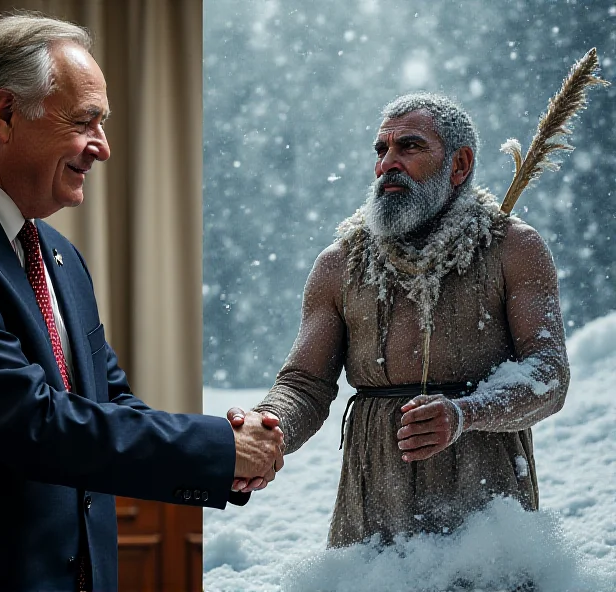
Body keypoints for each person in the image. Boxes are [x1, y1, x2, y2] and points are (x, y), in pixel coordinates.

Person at [0, 13, 282, 592]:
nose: (103, 147)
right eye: (86, 121)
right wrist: (220, 450)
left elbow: (107, 399)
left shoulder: (57, 254)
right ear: (5, 114)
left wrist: (226, 455)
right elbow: (30, 422)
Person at [228, 93, 570, 549]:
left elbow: (548, 375)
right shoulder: (340, 264)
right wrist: (267, 428)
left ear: (460, 164)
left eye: (409, 147)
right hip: (373, 507)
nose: (388, 162)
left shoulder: (513, 249)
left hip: (488, 510)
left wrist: (465, 414)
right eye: (381, 149)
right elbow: (305, 383)